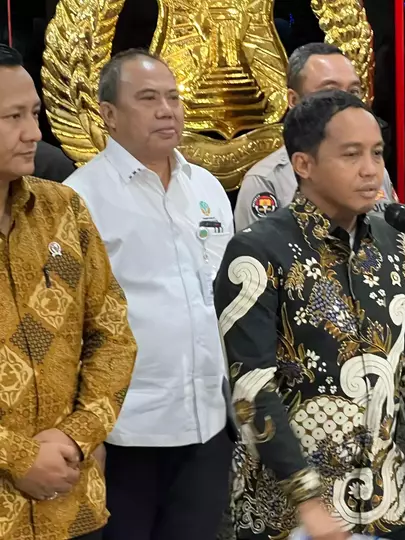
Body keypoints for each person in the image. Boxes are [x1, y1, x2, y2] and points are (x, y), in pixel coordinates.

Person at [216, 89, 405, 540]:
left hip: (389, 501)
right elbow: (250, 388)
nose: (372, 170)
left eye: (377, 153)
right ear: (303, 164)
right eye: (351, 155)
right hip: (290, 514)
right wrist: (307, 498)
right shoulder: (256, 250)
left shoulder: (397, 242)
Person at [63, 49, 236, 540]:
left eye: (173, 98)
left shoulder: (204, 186)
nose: (167, 110)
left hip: (207, 421)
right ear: (109, 114)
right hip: (125, 431)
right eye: (148, 98)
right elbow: (71, 326)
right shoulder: (80, 198)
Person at [0, 43, 137, 540]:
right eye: (13, 116)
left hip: (71, 502)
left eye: (34, 113)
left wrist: (77, 437)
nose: (34, 132)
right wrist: (17, 456)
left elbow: (114, 335)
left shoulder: (64, 211)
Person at [234, 42, 397, 230]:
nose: (346, 103)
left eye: (353, 92)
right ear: (294, 101)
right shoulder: (266, 180)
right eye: (329, 93)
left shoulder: (374, 170)